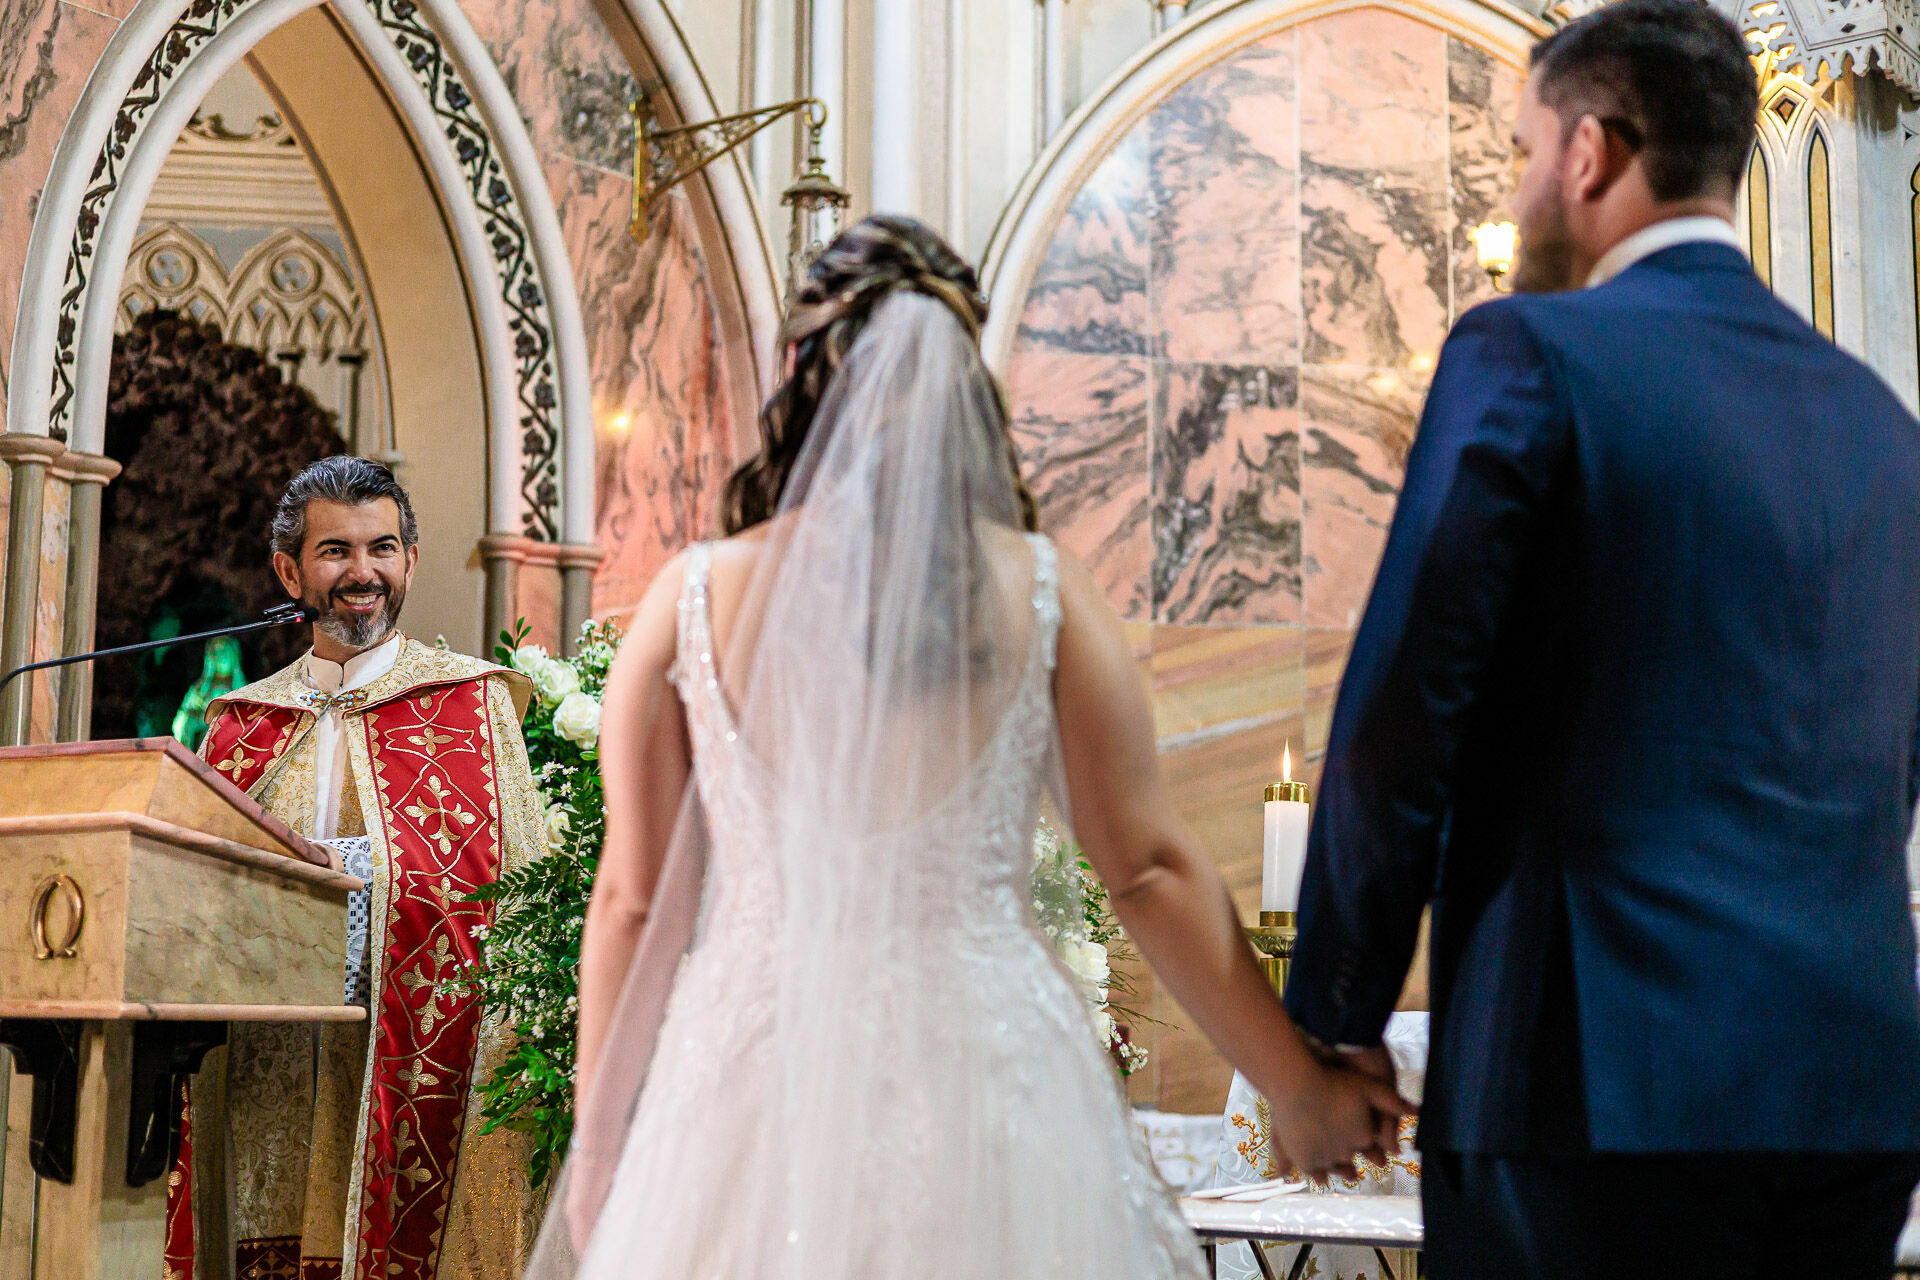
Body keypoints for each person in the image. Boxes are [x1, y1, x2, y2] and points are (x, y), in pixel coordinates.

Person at [523, 217, 1410, 1280]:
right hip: (989, 1073)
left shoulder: (693, 599)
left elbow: (629, 902)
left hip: (754, 1078)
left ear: (805, 369)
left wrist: (603, 1146)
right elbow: (1147, 866)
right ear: (966, 380)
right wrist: (1297, 1084)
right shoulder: (1039, 591)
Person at [1282, 1, 1920, 1275]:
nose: (1523, 187)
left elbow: (1405, 707)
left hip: (1596, 1080)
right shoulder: (1878, 423)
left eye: (1525, 152)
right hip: (1849, 1089)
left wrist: (1335, 1014)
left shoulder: (1527, 351)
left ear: (1589, 153)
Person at [167, 456, 546, 1280]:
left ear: (411, 559)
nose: (361, 573)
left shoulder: (474, 705)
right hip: (269, 1064)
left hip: (407, 1061)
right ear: (289, 570)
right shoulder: (240, 722)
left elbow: (509, 910)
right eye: (335, 551)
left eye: (382, 548)